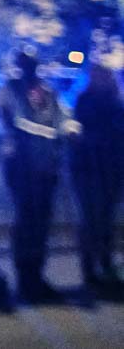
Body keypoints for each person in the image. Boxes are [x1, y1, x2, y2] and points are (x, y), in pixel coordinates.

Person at [0, 50, 77, 302]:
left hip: (45, 167)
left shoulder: (46, 91)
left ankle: (36, 277)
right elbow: (12, 122)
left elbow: (63, 117)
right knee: (26, 223)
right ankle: (25, 279)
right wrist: (50, 132)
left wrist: (69, 129)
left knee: (40, 225)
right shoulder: (9, 91)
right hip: (22, 167)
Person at [70, 63, 124, 294]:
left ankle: (103, 266)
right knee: (92, 220)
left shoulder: (114, 102)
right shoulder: (88, 101)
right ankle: (92, 270)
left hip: (107, 169)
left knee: (104, 221)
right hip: (91, 170)